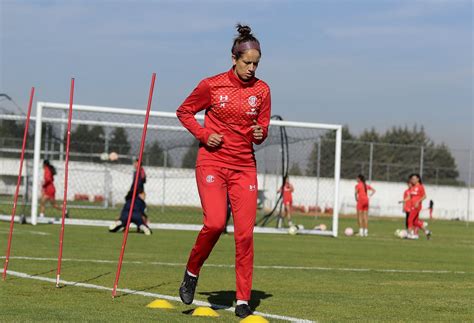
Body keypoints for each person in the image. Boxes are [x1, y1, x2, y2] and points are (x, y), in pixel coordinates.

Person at [176, 24, 271, 318]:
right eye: (247, 62)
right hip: (213, 163)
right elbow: (184, 111)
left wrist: (259, 132)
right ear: (234, 58)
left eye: (256, 63)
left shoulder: (263, 90)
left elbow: (264, 127)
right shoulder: (211, 85)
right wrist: (204, 135)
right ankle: (192, 271)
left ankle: (243, 299)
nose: (252, 68)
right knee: (216, 224)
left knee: (245, 235)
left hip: (245, 168)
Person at [406, 174, 431, 240]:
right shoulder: (412, 187)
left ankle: (410, 234)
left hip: (416, 206)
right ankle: (427, 231)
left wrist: (418, 202)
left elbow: (424, 196)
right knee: (415, 222)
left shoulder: (420, 187)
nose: (412, 180)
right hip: (412, 206)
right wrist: (404, 200)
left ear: (418, 179)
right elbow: (411, 196)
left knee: (410, 219)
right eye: (412, 179)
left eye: (414, 179)